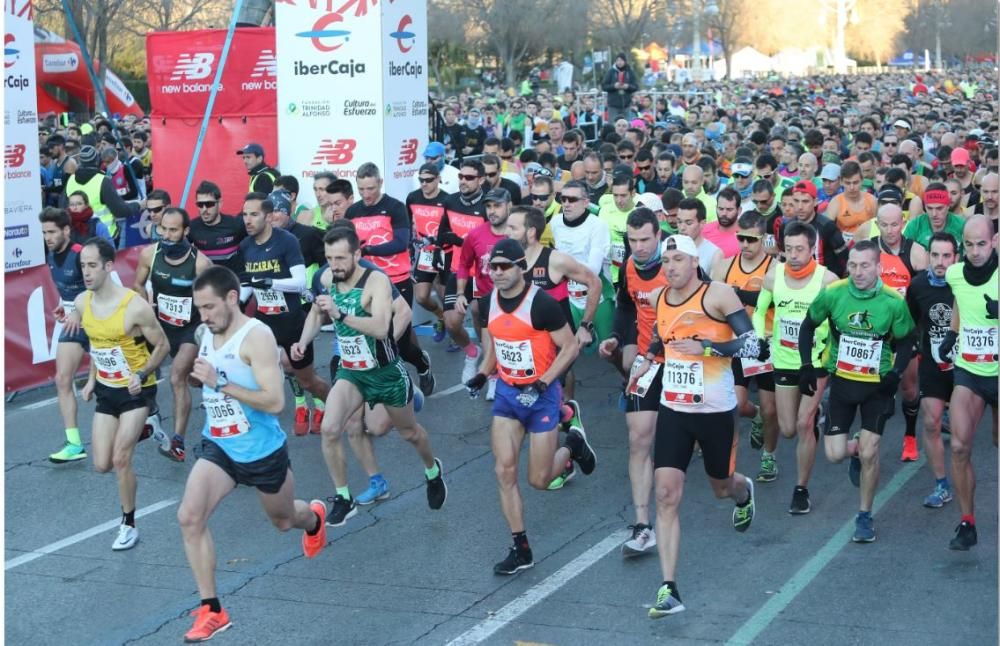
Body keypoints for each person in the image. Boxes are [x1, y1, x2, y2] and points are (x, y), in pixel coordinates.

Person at [178, 266, 328, 643]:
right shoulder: (204, 333)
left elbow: (275, 401)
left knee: (282, 520)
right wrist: (204, 379)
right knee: (189, 517)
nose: (204, 316)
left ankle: (312, 519)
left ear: (232, 298)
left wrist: (220, 383)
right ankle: (213, 609)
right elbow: (211, 377)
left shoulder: (257, 337)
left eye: (210, 307)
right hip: (220, 445)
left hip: (262, 452)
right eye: (199, 309)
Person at [630, 234, 761, 618]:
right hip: (675, 409)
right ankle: (669, 588)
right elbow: (661, 336)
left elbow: (752, 345)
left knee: (721, 485)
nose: (669, 266)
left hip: (716, 411)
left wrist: (708, 347)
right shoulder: (659, 297)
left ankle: (742, 492)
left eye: (677, 259)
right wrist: (647, 361)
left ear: (693, 261)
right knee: (666, 494)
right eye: (666, 259)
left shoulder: (718, 294)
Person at [298, 225, 447, 526]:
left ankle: (432, 471)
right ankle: (343, 497)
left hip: (385, 373)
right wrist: (303, 341)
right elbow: (316, 313)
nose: (334, 265)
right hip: (351, 371)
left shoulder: (375, 281)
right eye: (329, 258)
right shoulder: (324, 278)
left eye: (341, 258)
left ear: (357, 254)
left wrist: (339, 314)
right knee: (330, 428)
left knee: (408, 433)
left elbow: (381, 328)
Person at [464, 239, 594, 575]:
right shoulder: (487, 301)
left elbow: (569, 348)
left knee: (539, 480)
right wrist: (483, 372)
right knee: (503, 471)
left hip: (542, 397)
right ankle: (521, 548)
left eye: (505, 266)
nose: (498, 273)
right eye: (493, 267)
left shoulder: (543, 305)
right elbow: (495, 343)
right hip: (508, 394)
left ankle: (572, 446)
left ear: (521, 267)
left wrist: (543, 382)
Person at [798, 240, 916, 543]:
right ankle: (854, 450)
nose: (858, 271)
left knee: (870, 452)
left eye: (865, 265)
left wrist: (895, 373)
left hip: (877, 387)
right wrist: (806, 366)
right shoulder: (834, 293)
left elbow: (907, 341)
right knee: (835, 454)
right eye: (853, 265)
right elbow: (808, 325)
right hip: (843, 384)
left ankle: (864, 515)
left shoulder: (892, 302)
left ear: (878, 267)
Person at [76, 238, 170, 550]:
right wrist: (91, 381)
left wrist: (142, 374)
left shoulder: (134, 307)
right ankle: (149, 428)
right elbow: (98, 345)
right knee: (101, 463)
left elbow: (162, 346)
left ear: (108, 266)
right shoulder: (82, 303)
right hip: (106, 388)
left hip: (137, 390)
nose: (86, 272)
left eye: (92, 266)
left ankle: (128, 523)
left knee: (120, 458)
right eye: (83, 266)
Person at [507, 204, 600, 483]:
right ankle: (570, 423)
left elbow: (593, 282)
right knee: (539, 410)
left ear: (531, 232)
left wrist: (585, 325)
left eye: (513, 227)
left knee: (539, 407)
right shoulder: (509, 261)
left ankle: (566, 443)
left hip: (558, 348)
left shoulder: (555, 261)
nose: (505, 232)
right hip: (527, 350)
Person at [754, 221, 838, 514]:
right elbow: (760, 310)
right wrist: (759, 337)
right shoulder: (774, 276)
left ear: (813, 248)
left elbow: (839, 320)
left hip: (815, 363)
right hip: (783, 360)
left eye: (800, 249)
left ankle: (801, 489)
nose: (794, 255)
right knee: (788, 428)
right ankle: (815, 418)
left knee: (803, 424)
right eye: (788, 249)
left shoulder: (828, 281)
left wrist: (830, 351)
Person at [599, 208, 668, 556]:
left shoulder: (678, 264)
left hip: (683, 363)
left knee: (716, 472)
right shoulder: (629, 264)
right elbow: (626, 305)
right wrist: (615, 335)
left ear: (658, 235)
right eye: (632, 240)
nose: (638, 247)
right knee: (638, 440)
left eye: (645, 240)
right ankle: (643, 526)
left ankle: (737, 488)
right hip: (647, 363)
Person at [240, 192, 331, 435]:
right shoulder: (245, 246)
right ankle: (297, 407)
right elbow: (247, 283)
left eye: (254, 214)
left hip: (292, 321)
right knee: (269, 368)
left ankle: (336, 404)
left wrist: (270, 282)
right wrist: (236, 304)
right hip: (265, 322)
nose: (247, 220)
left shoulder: (287, 241)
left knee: (307, 379)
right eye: (245, 214)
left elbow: (300, 282)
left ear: (268, 217)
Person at [133, 207, 213, 462]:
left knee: (177, 377)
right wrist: (146, 303)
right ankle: (151, 412)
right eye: (163, 229)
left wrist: (208, 326)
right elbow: (137, 283)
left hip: (191, 327)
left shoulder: (200, 263)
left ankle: (177, 442)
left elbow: (213, 299)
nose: (166, 235)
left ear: (185, 231)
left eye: (173, 230)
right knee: (143, 366)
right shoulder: (150, 254)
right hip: (162, 326)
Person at [347, 163, 435, 396]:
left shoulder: (395, 207)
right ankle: (387, 386)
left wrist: (367, 251)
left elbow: (400, 242)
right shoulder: (353, 211)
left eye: (371, 188)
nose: (366, 194)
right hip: (366, 282)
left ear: (380, 183)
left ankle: (423, 366)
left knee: (401, 344)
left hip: (396, 280)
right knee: (373, 337)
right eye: (362, 189)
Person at [940, 214, 998, 550]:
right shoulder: (955, 273)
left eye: (981, 244)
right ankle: (967, 522)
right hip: (971, 370)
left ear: (993, 242)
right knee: (960, 446)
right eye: (969, 245)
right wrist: (952, 332)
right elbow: (961, 299)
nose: (975, 251)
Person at [711, 211, 779, 483]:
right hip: (740, 344)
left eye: (752, 240)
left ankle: (769, 455)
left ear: (763, 239)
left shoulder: (774, 267)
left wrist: (736, 293)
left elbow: (772, 300)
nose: (745, 245)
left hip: (767, 343)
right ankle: (759, 416)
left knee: (773, 407)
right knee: (739, 405)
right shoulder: (725, 266)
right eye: (741, 238)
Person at [866, 204, 928, 461]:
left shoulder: (915, 251)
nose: (890, 230)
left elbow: (925, 296)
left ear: (902, 222)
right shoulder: (867, 249)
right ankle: (867, 446)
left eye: (894, 224)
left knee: (910, 390)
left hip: (905, 333)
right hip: (874, 332)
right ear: (877, 224)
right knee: (871, 391)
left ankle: (910, 436)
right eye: (884, 224)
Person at [906, 232, 959, 508]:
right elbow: (911, 321)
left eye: (946, 256)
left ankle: (963, 474)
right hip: (933, 364)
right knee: (930, 422)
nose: (940, 262)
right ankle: (941, 485)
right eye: (935, 255)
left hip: (965, 367)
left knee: (963, 437)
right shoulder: (917, 286)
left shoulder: (965, 283)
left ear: (956, 257)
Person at [41, 207, 95, 462]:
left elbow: (99, 289)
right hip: (74, 325)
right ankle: (74, 444)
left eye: (52, 232)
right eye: (44, 233)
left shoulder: (80, 255)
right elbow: (69, 292)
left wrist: (80, 309)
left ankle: (145, 416)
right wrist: (65, 306)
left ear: (66, 230)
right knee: (62, 379)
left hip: (98, 323)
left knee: (112, 384)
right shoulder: (51, 256)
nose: (48, 237)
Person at [455, 187, 513, 396]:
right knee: (490, 339)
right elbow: (463, 264)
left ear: (509, 206)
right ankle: (494, 377)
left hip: (516, 298)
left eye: (497, 206)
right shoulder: (475, 235)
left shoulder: (517, 233)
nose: (492, 211)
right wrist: (461, 293)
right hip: (488, 298)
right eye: (489, 206)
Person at [407, 162, 451, 342]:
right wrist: (410, 251)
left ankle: (454, 333)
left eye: (428, 180)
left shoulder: (448, 200)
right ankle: (441, 317)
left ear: (438, 179)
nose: (424, 184)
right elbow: (409, 226)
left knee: (445, 295)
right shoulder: (413, 197)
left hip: (445, 251)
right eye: (421, 180)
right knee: (421, 297)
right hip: (425, 252)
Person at [65, 145, 139, 245]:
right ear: (97, 161)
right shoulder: (103, 181)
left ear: (80, 161)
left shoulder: (71, 180)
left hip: (77, 237)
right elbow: (120, 211)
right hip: (104, 236)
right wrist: (138, 205)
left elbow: (64, 208)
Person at [187, 180, 247, 276]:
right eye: (200, 205)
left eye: (209, 204)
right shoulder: (192, 227)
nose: (204, 209)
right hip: (206, 283)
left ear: (220, 203)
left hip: (233, 282)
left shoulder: (236, 224)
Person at [825, 161, 878, 244]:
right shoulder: (836, 203)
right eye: (848, 183)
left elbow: (879, 228)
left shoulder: (872, 201)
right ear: (841, 182)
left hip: (868, 247)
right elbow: (827, 232)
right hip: (844, 247)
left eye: (855, 182)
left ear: (862, 180)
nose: (852, 187)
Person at [903, 183, 967, 250]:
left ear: (948, 206)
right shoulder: (915, 225)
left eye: (939, 208)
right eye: (930, 208)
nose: (934, 214)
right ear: (925, 207)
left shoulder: (962, 226)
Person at [675, 198, 723, 275]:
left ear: (702, 223)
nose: (682, 228)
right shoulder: (669, 247)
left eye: (689, 223)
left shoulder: (714, 254)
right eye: (679, 222)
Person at [701, 187, 742, 258]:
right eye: (720, 209)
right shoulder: (704, 230)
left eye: (729, 209)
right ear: (716, 208)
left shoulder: (746, 237)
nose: (724, 213)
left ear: (739, 210)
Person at [602, 53, 637, 123]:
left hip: (626, 104)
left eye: (621, 60)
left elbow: (635, 86)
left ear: (625, 61)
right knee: (613, 124)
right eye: (617, 60)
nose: (619, 62)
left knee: (625, 124)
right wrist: (614, 86)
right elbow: (604, 86)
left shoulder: (629, 72)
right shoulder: (611, 72)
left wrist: (627, 86)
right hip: (613, 105)